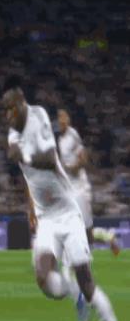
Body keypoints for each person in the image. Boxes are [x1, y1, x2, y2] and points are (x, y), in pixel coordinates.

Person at [2, 78, 127, 321]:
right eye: (4, 111)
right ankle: (73, 292)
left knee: (88, 282)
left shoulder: (39, 117)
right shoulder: (13, 132)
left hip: (68, 212)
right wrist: (30, 207)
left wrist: (24, 154)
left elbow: (47, 159)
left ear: (21, 103)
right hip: (46, 217)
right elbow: (24, 170)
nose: (7, 116)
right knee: (43, 278)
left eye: (10, 109)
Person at [57, 109, 119, 254]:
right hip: (70, 189)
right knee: (77, 229)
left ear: (68, 120)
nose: (61, 121)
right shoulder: (60, 140)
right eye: (59, 118)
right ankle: (107, 237)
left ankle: (100, 242)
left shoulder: (73, 135)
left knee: (86, 231)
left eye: (64, 117)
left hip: (80, 189)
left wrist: (72, 168)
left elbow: (83, 159)